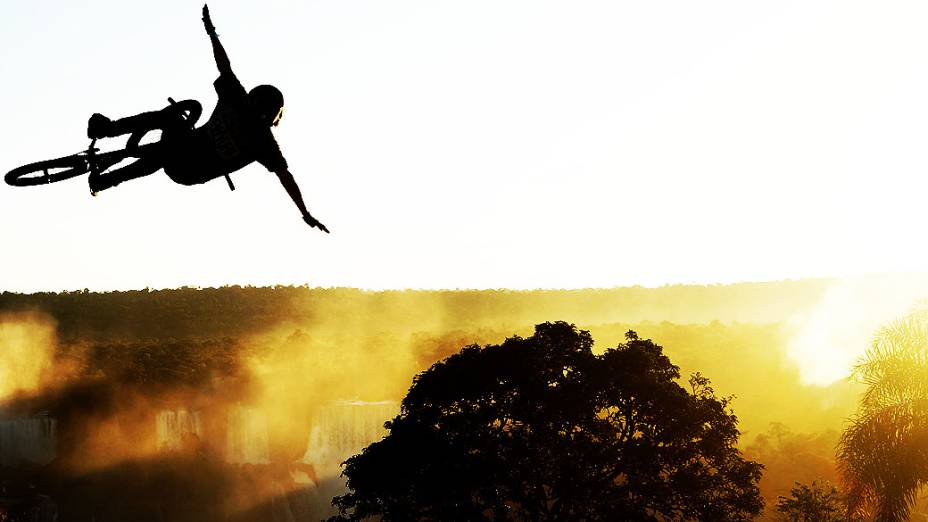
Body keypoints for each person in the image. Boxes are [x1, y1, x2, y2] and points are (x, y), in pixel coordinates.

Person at [86, 4, 328, 233]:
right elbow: (286, 178)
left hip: (190, 169)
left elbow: (225, 66)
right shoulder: (258, 132)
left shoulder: (255, 128)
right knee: (166, 139)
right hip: (188, 160)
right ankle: (105, 162)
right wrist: (305, 213)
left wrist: (211, 31)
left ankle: (106, 134)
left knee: (165, 142)